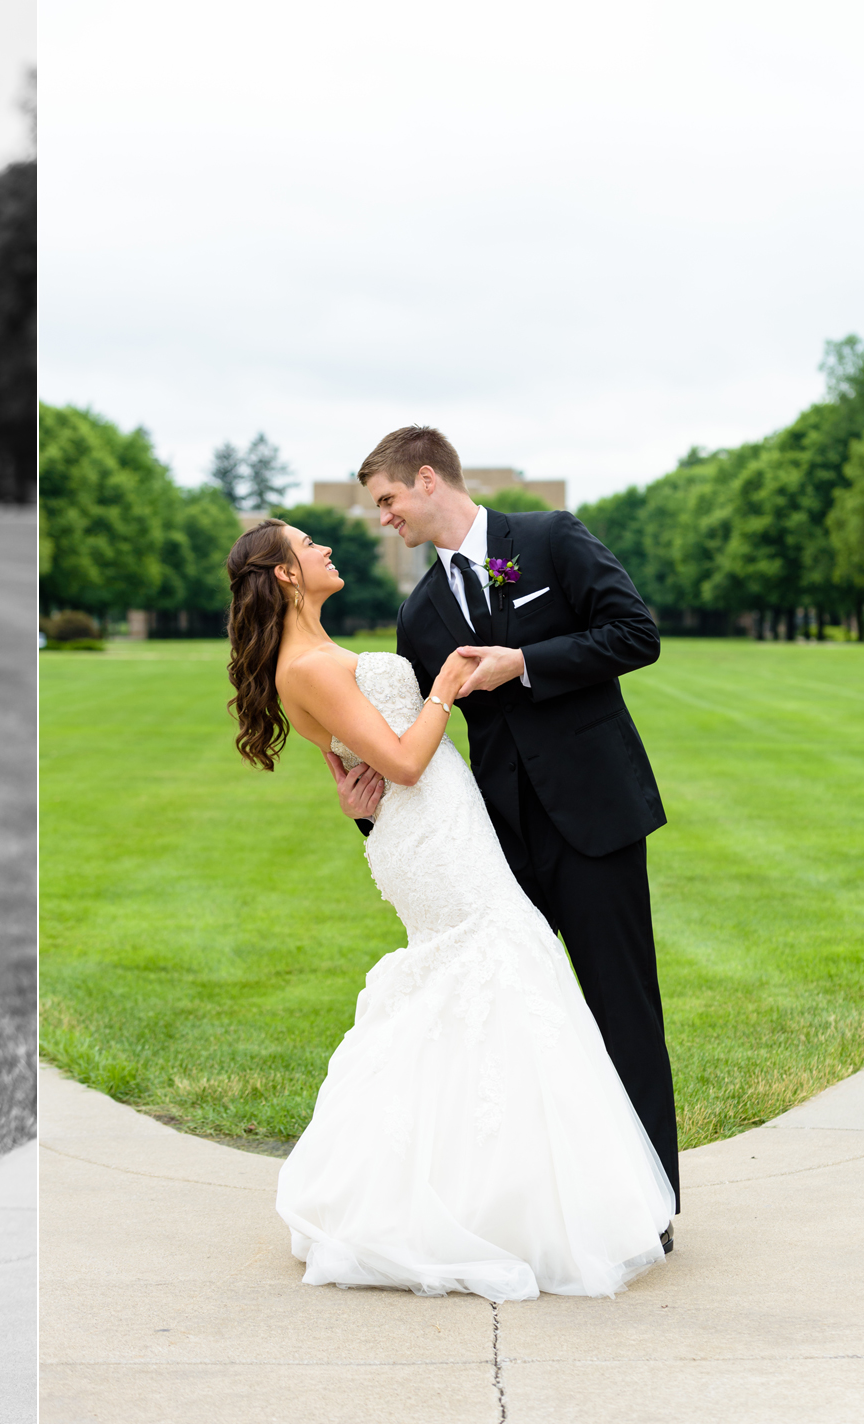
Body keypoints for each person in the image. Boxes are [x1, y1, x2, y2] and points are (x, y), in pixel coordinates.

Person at [227, 510, 673, 1302]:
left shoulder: (315, 654)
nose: (329, 545)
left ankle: (499, 1195)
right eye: (309, 544)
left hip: (444, 828)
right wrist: (437, 692)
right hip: (434, 839)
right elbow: (398, 762)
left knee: (488, 989)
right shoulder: (311, 663)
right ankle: (498, 1206)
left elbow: (359, 769)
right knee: (496, 970)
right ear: (288, 574)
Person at [349, 425, 680, 1212]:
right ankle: (535, 1204)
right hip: (498, 844)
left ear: (428, 479)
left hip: (596, 817)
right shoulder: (419, 613)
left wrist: (525, 663)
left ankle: (653, 1204)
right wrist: (371, 814)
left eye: (389, 500)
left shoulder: (548, 538)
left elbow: (636, 635)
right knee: (517, 1021)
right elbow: (417, 746)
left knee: (622, 1011)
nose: (384, 518)